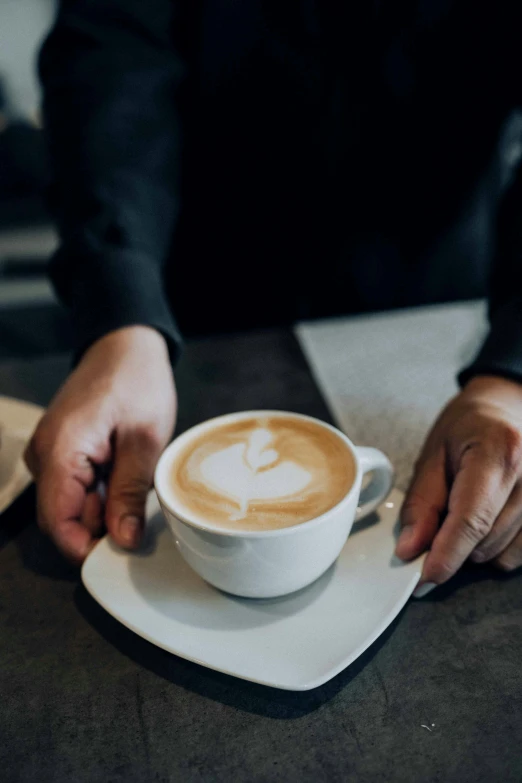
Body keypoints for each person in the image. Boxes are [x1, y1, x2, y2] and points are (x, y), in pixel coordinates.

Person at [26, 1, 522, 592]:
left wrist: (511, 376)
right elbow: (110, 47)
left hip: (426, 300)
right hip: (199, 293)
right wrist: (121, 315)